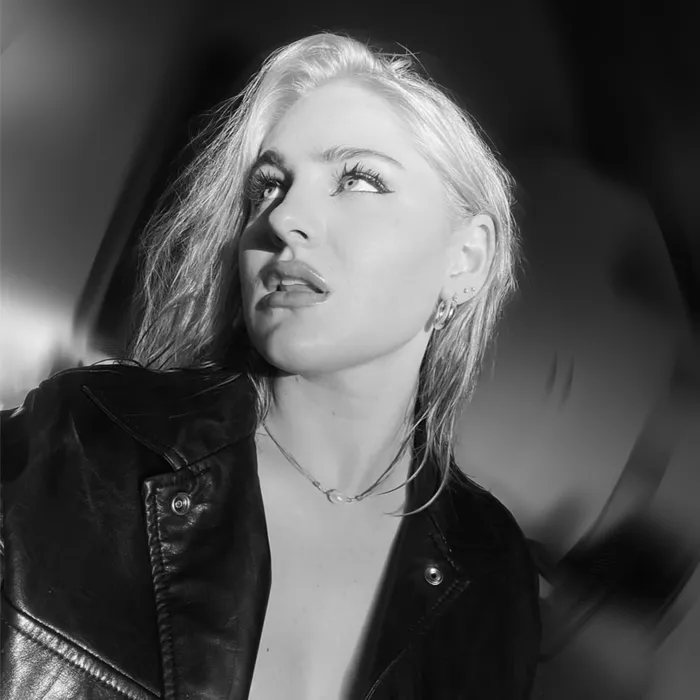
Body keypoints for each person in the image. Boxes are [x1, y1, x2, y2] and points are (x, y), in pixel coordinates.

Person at [0, 31, 541, 700]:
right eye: (268, 187)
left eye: (359, 179)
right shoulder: (85, 443)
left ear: (466, 258)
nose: (284, 220)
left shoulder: (494, 572)